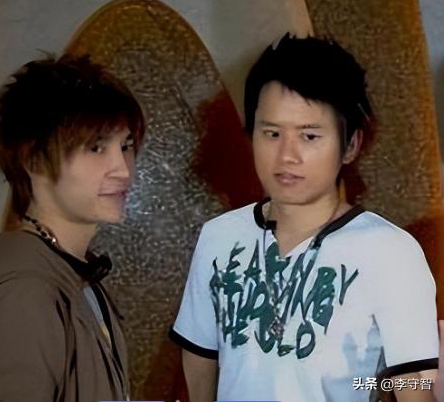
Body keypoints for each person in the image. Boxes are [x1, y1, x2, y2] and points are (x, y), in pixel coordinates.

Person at [169, 33, 438, 402]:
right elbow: (200, 360)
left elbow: (414, 385)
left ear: (350, 145)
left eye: (309, 136)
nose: (286, 156)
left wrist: (370, 386)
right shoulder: (219, 237)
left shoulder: (389, 252)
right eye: (271, 133)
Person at [0, 54, 144, 401]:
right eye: (96, 147)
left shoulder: (76, 274)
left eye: (125, 146)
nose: (123, 169)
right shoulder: (24, 297)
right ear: (34, 160)